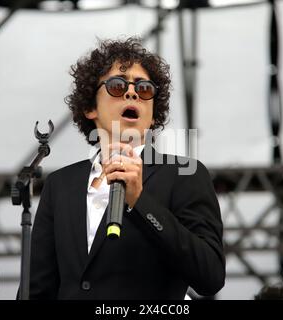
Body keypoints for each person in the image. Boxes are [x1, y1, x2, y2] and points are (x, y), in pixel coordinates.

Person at [28, 37, 225, 299]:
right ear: (89, 107)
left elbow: (210, 275)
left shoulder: (184, 173)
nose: (132, 92)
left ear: (153, 115)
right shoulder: (60, 184)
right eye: (118, 86)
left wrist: (140, 202)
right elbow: (38, 288)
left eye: (144, 89)